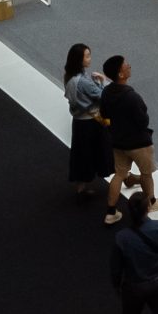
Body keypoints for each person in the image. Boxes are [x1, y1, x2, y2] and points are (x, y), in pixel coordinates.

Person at [98, 55, 158, 221]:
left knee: (119, 174)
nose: (129, 66)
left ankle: (111, 212)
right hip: (139, 143)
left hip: (118, 142)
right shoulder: (132, 97)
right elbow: (143, 120)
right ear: (121, 74)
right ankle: (150, 202)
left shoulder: (107, 92)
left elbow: (104, 115)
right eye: (125, 65)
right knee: (146, 173)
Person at [63, 43, 111, 201]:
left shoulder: (69, 77)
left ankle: (81, 188)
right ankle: (123, 177)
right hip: (92, 123)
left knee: (81, 155)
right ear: (79, 59)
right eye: (87, 56)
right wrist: (102, 81)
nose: (90, 58)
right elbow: (103, 96)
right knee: (103, 150)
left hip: (78, 123)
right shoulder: (84, 82)